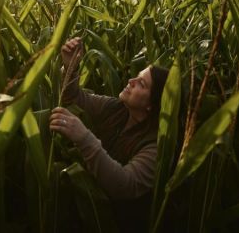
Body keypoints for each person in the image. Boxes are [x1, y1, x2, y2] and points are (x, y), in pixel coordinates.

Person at [49, 37, 169, 233]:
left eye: (141, 84)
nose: (130, 81)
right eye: (136, 76)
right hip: (86, 211)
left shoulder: (155, 145)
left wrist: (83, 137)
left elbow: (124, 184)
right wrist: (70, 67)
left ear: (151, 105)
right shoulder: (116, 108)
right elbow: (74, 98)